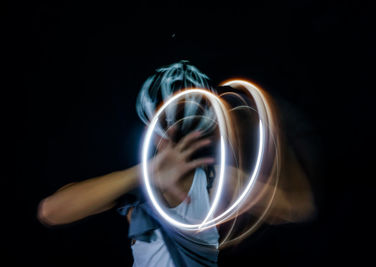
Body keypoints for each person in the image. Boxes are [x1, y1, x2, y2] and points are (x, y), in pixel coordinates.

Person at [37, 61, 315, 267]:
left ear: (202, 126)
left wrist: (272, 135)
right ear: (151, 127)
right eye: (164, 125)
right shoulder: (137, 186)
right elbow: (52, 211)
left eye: (183, 123)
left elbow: (295, 209)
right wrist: (146, 173)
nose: (171, 136)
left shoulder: (217, 180)